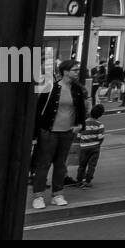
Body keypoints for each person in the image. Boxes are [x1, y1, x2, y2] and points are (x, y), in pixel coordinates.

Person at [32, 59, 87, 209]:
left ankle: (57, 194)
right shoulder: (51, 88)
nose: (77, 72)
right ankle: (38, 196)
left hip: (67, 132)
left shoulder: (77, 89)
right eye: (74, 70)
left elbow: (81, 109)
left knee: (60, 165)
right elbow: (39, 110)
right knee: (44, 164)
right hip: (49, 132)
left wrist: (80, 124)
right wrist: (35, 134)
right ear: (66, 71)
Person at [74, 103, 107, 189]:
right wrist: (98, 144)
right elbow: (100, 137)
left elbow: (78, 136)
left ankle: (79, 180)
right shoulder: (100, 125)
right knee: (92, 165)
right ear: (100, 115)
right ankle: (88, 181)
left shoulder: (83, 123)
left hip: (84, 147)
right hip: (95, 148)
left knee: (82, 165)